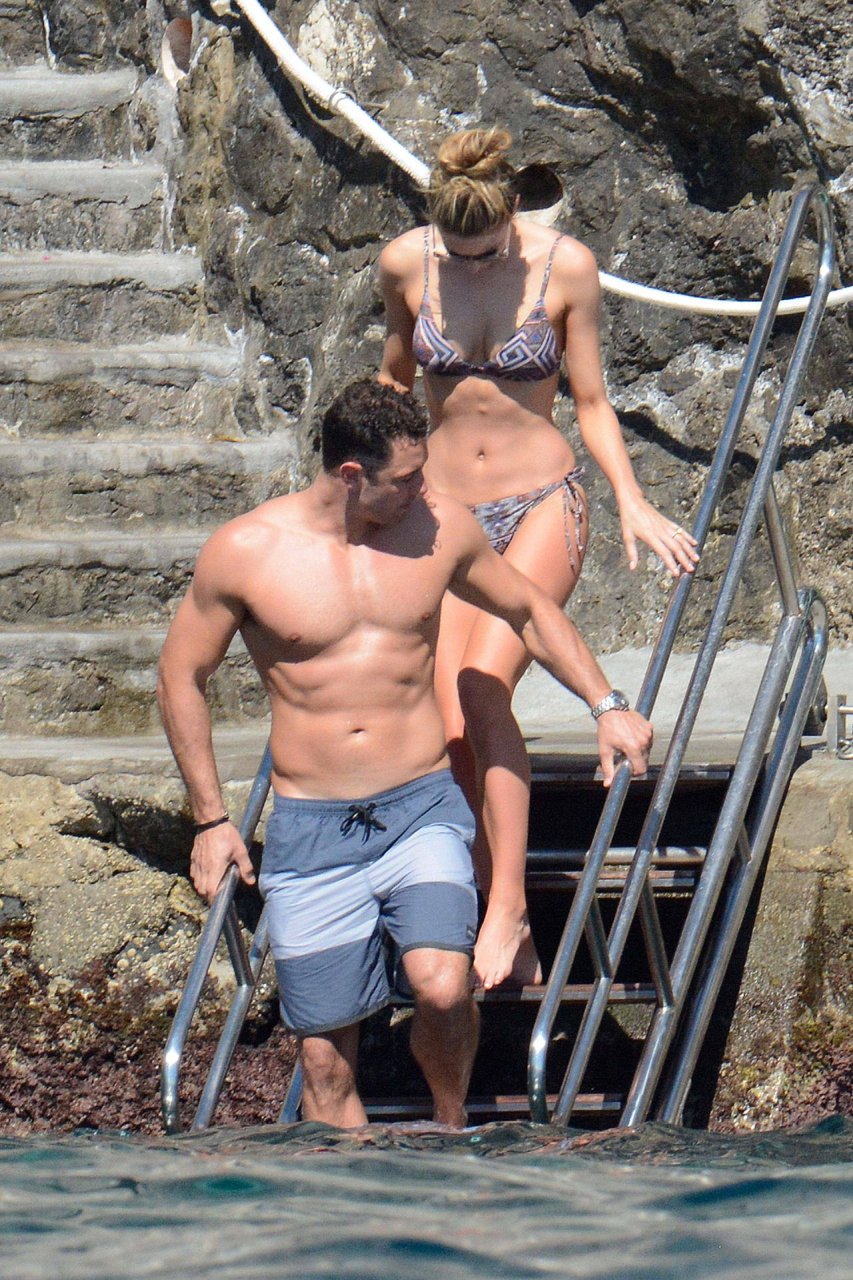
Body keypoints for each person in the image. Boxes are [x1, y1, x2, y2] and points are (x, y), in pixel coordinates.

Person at [157, 379, 653, 1129]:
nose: (424, 488)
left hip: (420, 805)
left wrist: (605, 704)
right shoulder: (247, 551)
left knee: (444, 987)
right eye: (406, 478)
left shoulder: (438, 529)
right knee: (325, 1059)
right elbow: (179, 676)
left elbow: (528, 608)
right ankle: (359, 1191)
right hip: (311, 824)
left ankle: (449, 1129)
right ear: (351, 475)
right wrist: (210, 819)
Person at [377, 126, 699, 991]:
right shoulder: (405, 263)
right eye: (457, 253)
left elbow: (590, 400)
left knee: (483, 684)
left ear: (512, 211)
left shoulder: (568, 267)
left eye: (486, 251)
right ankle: (483, 904)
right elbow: (393, 383)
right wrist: (358, 492)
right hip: (443, 508)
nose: (472, 265)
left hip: (539, 501)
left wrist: (630, 497)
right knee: (445, 723)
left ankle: (510, 908)